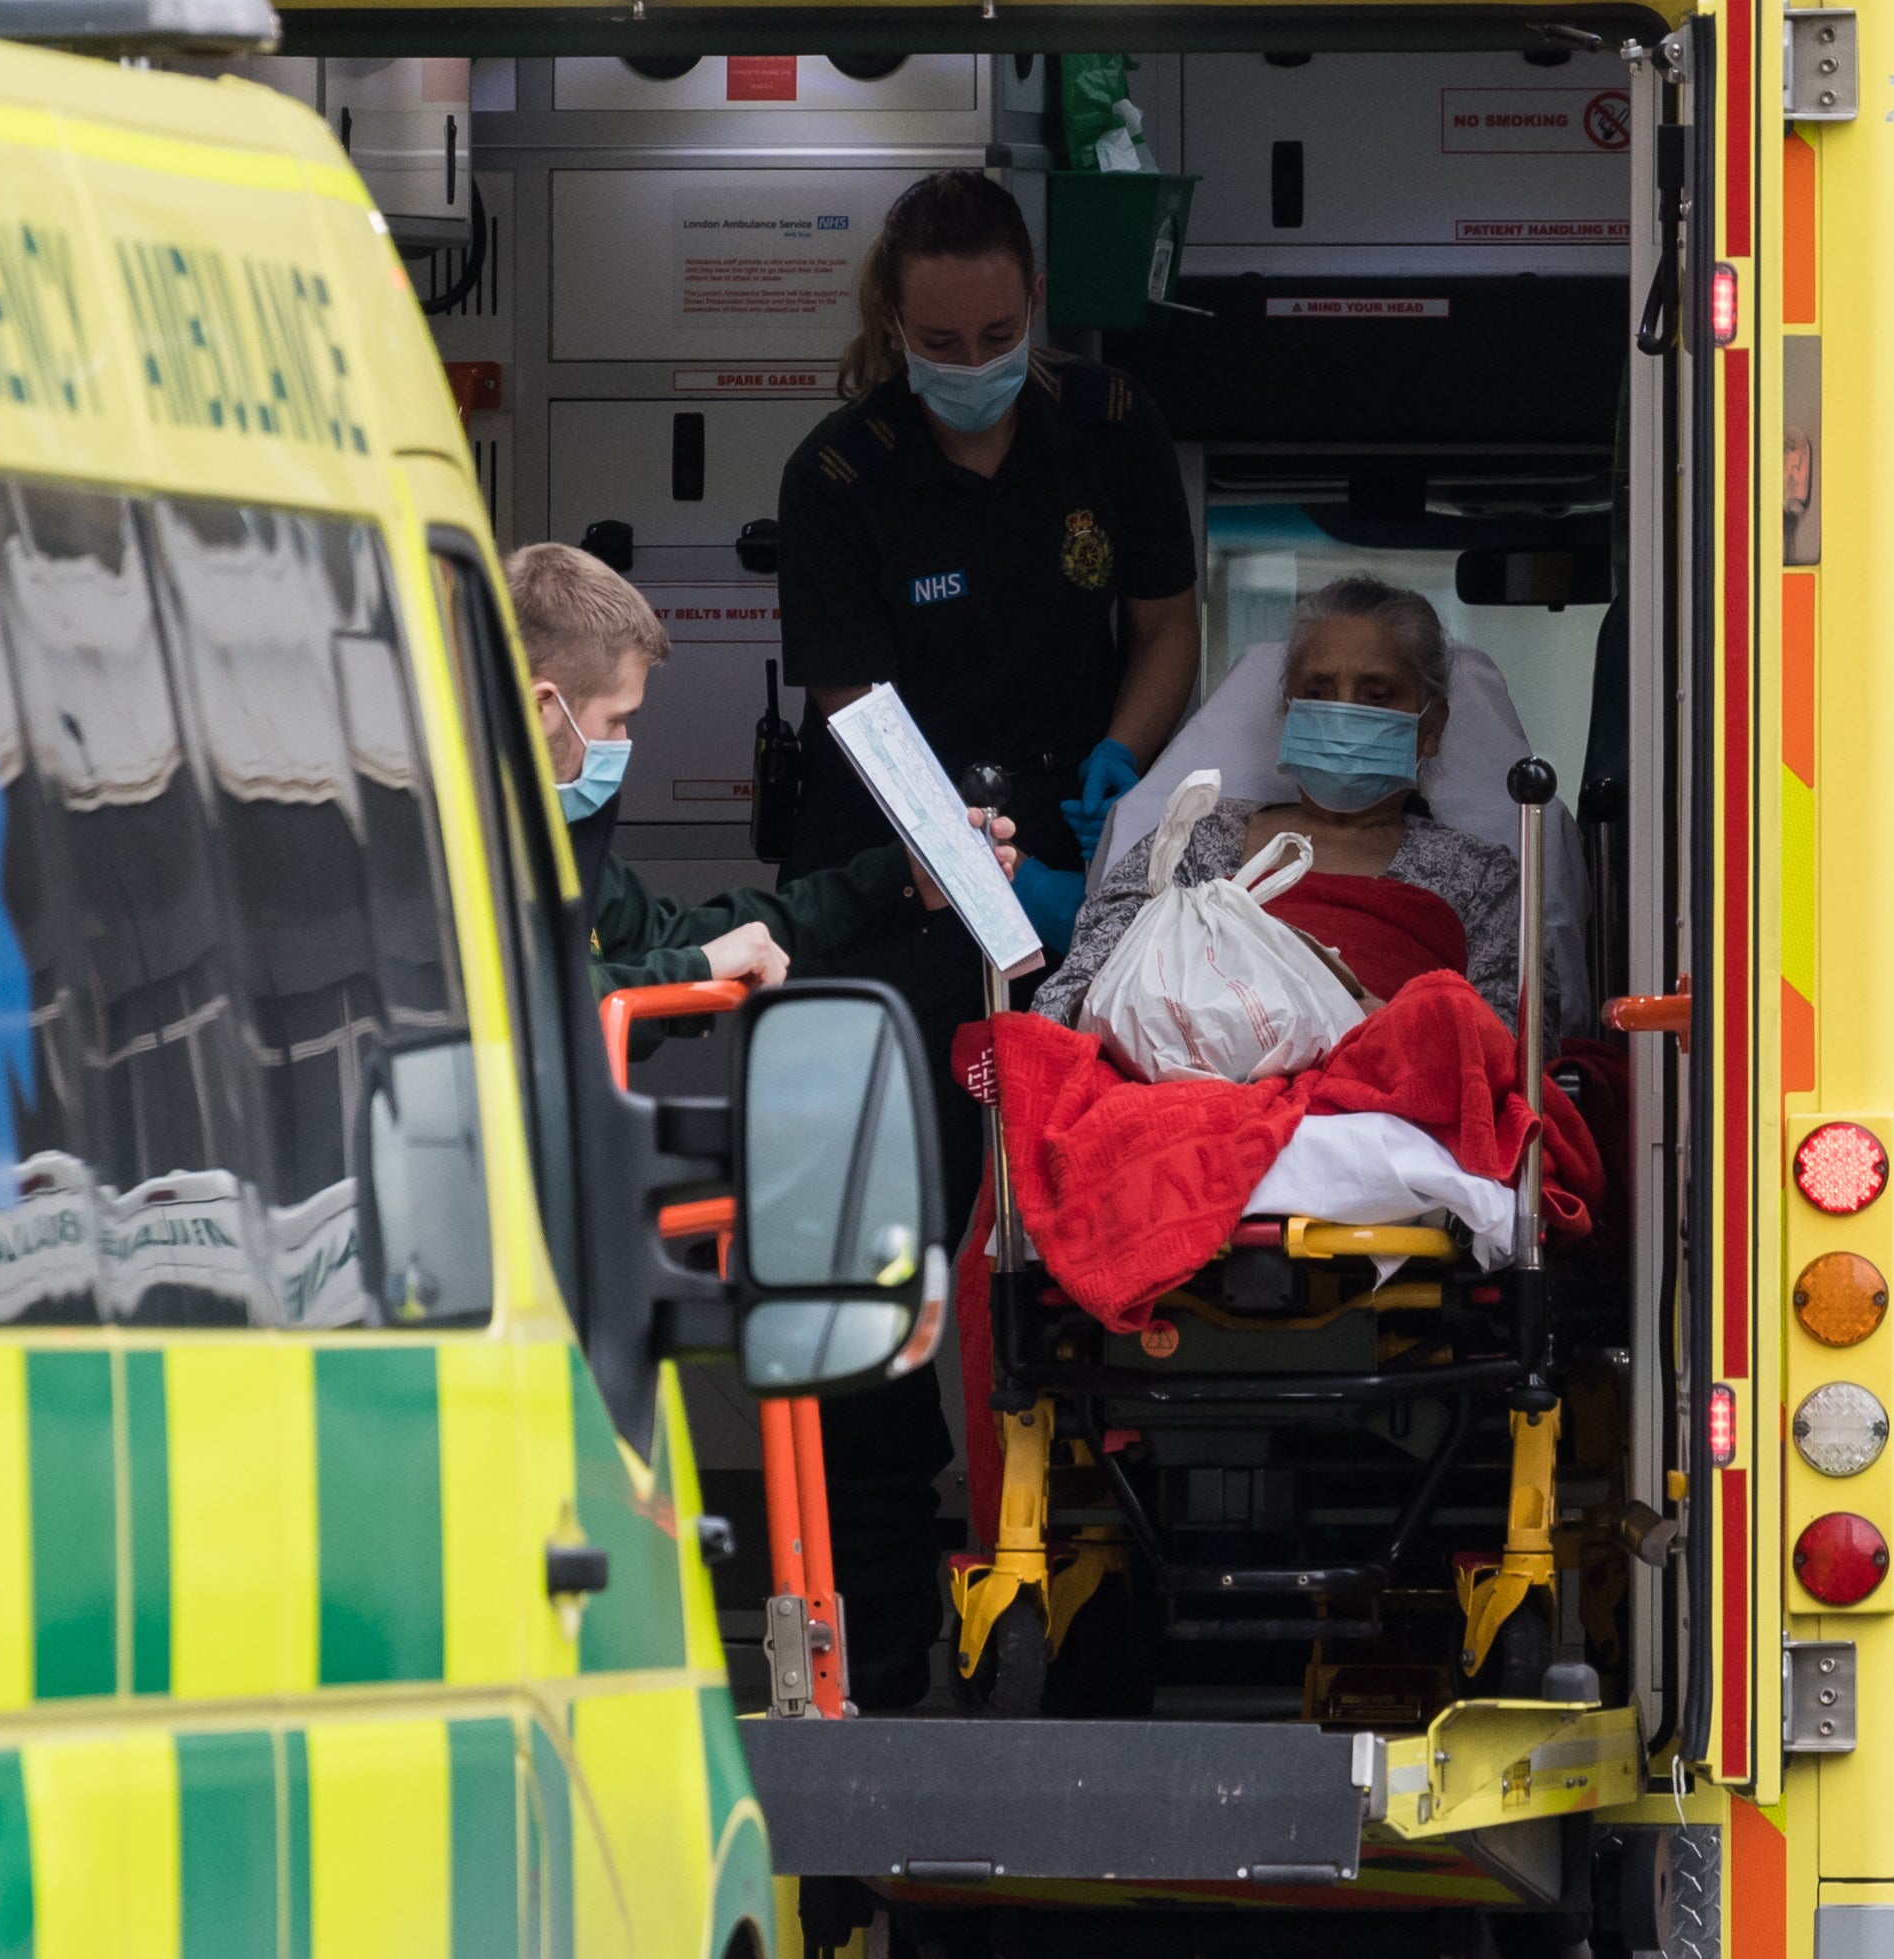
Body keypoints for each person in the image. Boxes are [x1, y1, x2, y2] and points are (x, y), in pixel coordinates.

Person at [773, 168, 1201, 1706]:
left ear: (1036, 309)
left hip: (1074, 872)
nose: (976, 354)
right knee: (882, 1258)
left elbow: (1162, 623)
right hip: (893, 891)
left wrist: (1120, 772)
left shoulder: (1107, 429)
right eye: (943, 332)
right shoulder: (841, 475)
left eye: (1001, 326)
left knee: (1081, 1230)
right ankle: (873, 1638)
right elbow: (854, 716)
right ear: (893, 321)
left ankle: (1102, 1614)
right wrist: (965, 870)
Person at [503, 542, 1013, 1024]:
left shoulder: (551, 828)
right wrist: (699, 970)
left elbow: (655, 939)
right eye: (616, 719)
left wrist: (897, 879)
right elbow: (527, 1009)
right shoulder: (446, 845)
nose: (625, 739)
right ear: (542, 706)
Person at [1034, 576, 1551, 1043]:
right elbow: (1072, 996)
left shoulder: (1482, 876)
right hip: (1195, 1099)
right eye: (1318, 692)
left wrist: (1373, 1025)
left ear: (1431, 726)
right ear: (1290, 713)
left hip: (1386, 1120)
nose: (1343, 713)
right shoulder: (1196, 839)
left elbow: (1518, 1048)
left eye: (1376, 696)